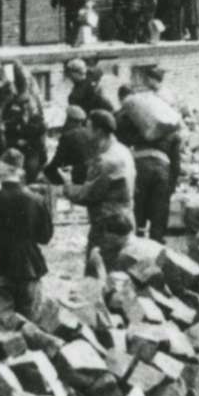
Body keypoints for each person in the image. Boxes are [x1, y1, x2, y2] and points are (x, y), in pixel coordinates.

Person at [0, 148, 54, 330]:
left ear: (0, 171)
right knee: (31, 326)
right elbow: (45, 237)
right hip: (30, 266)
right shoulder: (37, 200)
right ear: (20, 172)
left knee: (2, 326)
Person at [66, 110, 137, 280]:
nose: (85, 131)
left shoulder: (105, 160)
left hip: (106, 226)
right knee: (120, 276)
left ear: (98, 131)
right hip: (124, 219)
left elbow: (86, 195)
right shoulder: (123, 150)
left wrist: (65, 187)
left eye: (88, 127)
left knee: (97, 279)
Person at [116, 65, 182, 241]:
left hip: (138, 166)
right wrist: (171, 185)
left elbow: (119, 144)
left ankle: (137, 244)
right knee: (160, 213)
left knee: (137, 211)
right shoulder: (170, 129)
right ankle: (157, 245)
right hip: (162, 168)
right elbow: (176, 164)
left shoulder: (130, 119)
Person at [0, 77, 48, 179]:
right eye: (22, 104)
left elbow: (40, 139)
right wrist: (16, 141)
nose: (25, 107)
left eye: (27, 104)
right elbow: (7, 134)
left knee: (31, 171)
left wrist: (28, 142)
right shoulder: (12, 113)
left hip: (32, 150)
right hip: (15, 149)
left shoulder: (37, 119)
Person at [46, 103, 97, 186]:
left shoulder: (68, 136)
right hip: (91, 172)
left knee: (49, 172)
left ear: (69, 120)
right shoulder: (88, 132)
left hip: (77, 176)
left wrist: (46, 170)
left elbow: (57, 161)